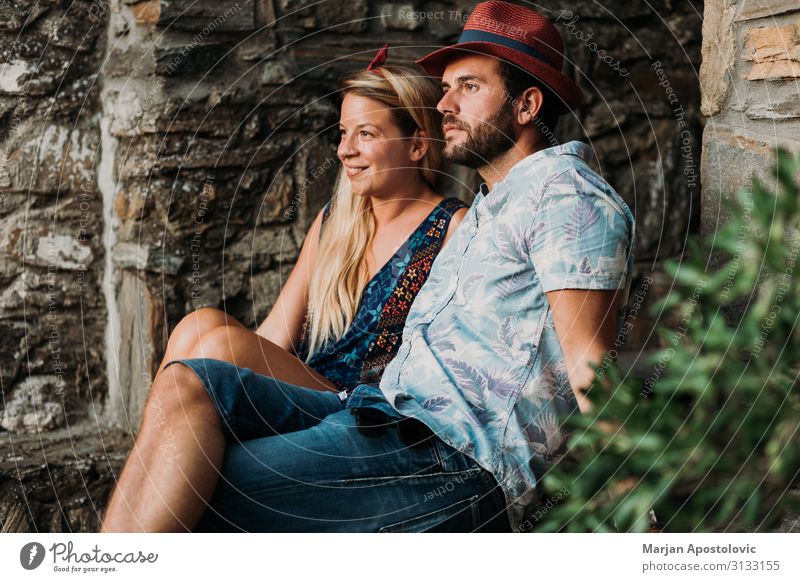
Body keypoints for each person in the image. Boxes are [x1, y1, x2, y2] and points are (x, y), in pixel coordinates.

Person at [104, 1, 636, 533]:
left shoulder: (567, 198)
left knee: (189, 484)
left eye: (468, 87)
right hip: (378, 416)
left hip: (449, 459)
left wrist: (637, 507)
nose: (444, 103)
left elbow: (590, 360)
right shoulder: (488, 209)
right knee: (186, 387)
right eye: (446, 88)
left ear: (527, 106)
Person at [101, 56, 468, 531]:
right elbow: (274, 336)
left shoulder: (452, 229)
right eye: (341, 133)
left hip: (360, 408)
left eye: (365, 135)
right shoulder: (336, 223)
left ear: (418, 144)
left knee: (214, 344)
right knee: (199, 326)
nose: (344, 151)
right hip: (306, 390)